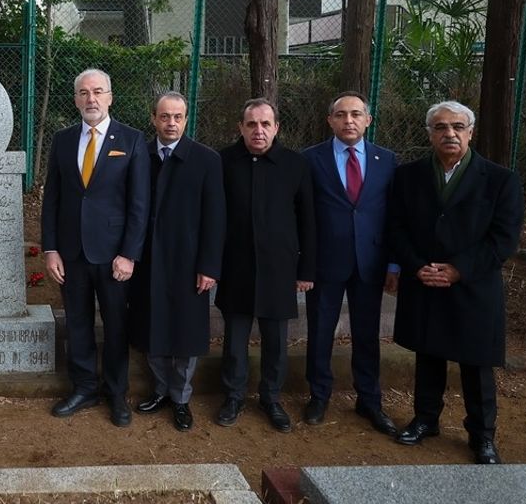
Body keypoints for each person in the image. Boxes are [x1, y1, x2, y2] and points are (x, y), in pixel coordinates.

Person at [389, 101, 524, 465]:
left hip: (473, 285)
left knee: (476, 363)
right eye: (441, 127)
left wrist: (457, 269)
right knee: (428, 352)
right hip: (424, 279)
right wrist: (417, 266)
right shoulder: (408, 176)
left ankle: (482, 435)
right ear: (430, 133)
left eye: (458, 127)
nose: (450, 133)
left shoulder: (500, 180)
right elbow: (396, 227)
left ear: (470, 132)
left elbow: (503, 239)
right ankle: (425, 419)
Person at [42, 68, 149, 427]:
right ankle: (84, 387)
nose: (91, 99)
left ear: (109, 97)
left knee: (117, 326)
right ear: (75, 99)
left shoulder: (132, 140)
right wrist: (51, 249)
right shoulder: (62, 140)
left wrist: (129, 254)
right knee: (78, 324)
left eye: (98, 92)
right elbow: (52, 199)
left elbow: (139, 204)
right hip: (71, 254)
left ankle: (117, 394)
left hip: (114, 256)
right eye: (84, 93)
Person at [300, 92, 399, 436]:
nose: (349, 121)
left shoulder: (387, 160)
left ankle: (369, 400)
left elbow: (394, 218)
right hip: (326, 262)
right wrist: (305, 265)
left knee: (367, 335)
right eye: (341, 115)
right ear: (330, 121)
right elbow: (304, 217)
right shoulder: (311, 159)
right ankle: (319, 395)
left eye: (356, 114)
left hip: (370, 262)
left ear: (368, 120)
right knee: (320, 331)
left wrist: (395, 265)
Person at [215, 98, 316, 433]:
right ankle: (233, 396)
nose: (258, 131)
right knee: (235, 340)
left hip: (279, 269)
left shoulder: (295, 164)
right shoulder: (224, 161)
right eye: (251, 124)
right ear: (241, 127)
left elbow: (308, 222)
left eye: (265, 124)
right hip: (236, 266)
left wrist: (306, 270)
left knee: (276, 341)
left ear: (276, 128)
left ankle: (271, 398)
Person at [131, 92, 224, 432]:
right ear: (154, 118)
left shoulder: (206, 159)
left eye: (178, 117)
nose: (171, 123)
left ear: (186, 119)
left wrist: (210, 266)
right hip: (148, 261)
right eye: (165, 116)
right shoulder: (139, 153)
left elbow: (216, 218)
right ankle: (160, 390)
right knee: (152, 326)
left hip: (189, 262)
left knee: (186, 334)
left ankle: (181, 398)